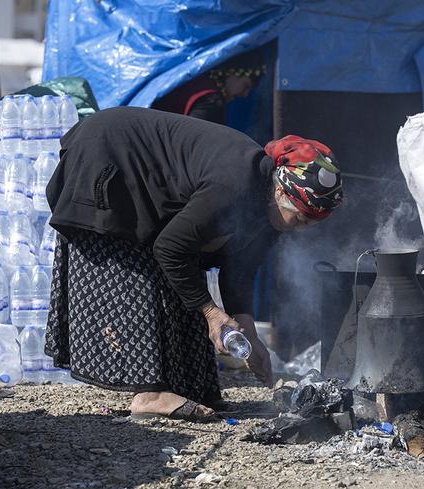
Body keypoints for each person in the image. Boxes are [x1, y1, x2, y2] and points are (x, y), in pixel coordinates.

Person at [44, 107, 343, 421]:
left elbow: (239, 270)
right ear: (281, 190)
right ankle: (150, 394)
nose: (302, 227)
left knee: (187, 285)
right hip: (108, 159)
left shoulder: (268, 214)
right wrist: (213, 313)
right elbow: (170, 248)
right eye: (300, 217)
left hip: (136, 175)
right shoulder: (235, 184)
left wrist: (252, 339)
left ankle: (193, 388)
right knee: (142, 275)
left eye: (312, 223)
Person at [151, 50, 266, 124]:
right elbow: (195, 139)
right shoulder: (211, 101)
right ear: (232, 73)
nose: (244, 94)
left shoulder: (198, 81)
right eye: (246, 86)